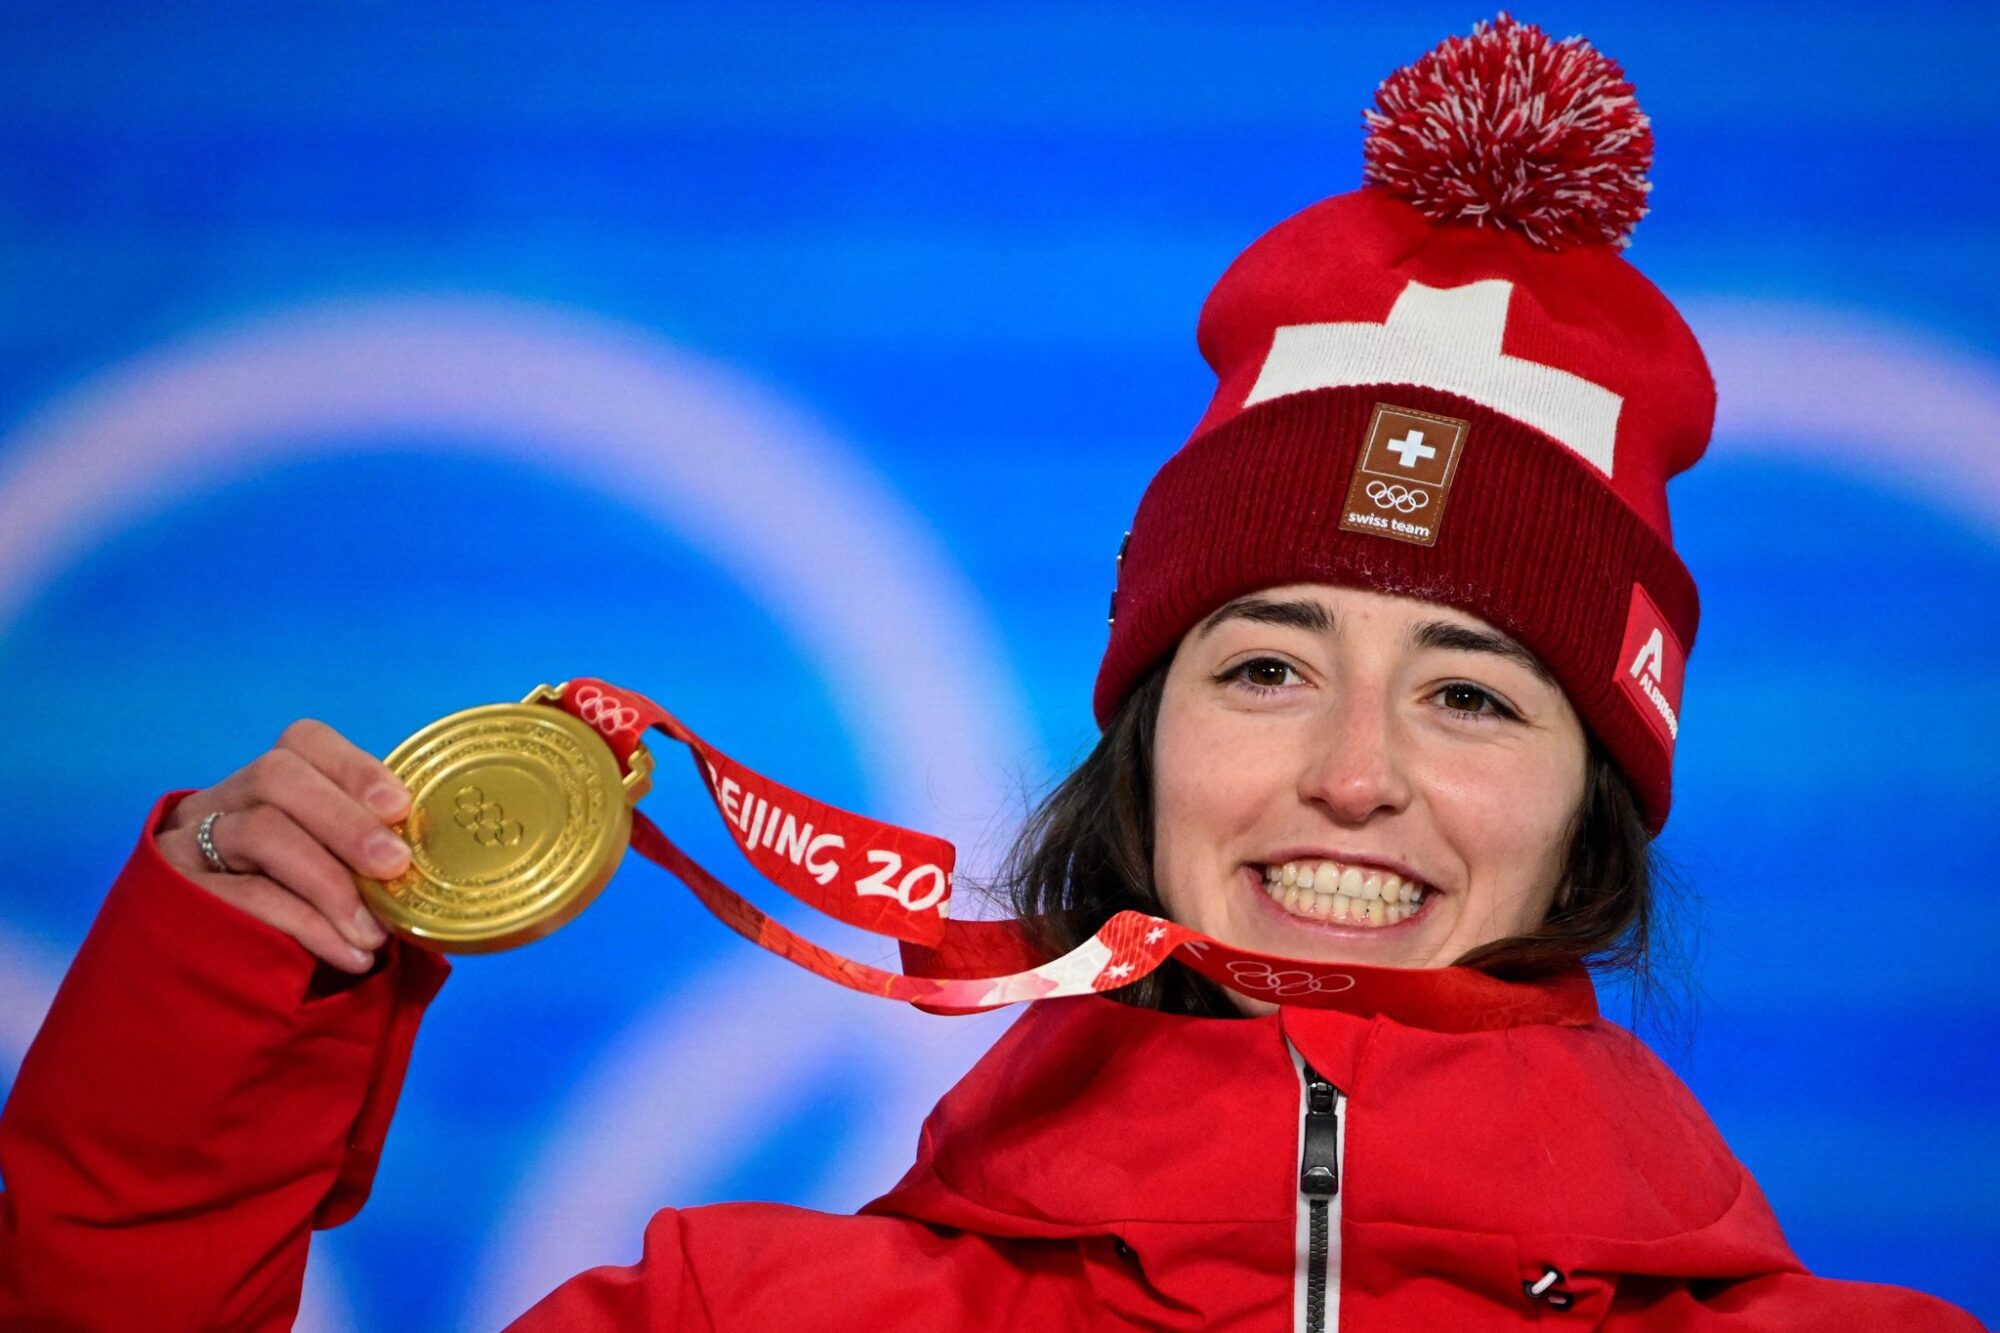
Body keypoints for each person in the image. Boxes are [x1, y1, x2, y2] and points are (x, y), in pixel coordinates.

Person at [0, 13, 1984, 1331]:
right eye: (1266, 667)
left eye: (1470, 693)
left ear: (1593, 811)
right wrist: (214, 1013)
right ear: (1144, 742)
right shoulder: (746, 1317)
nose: (1353, 774)